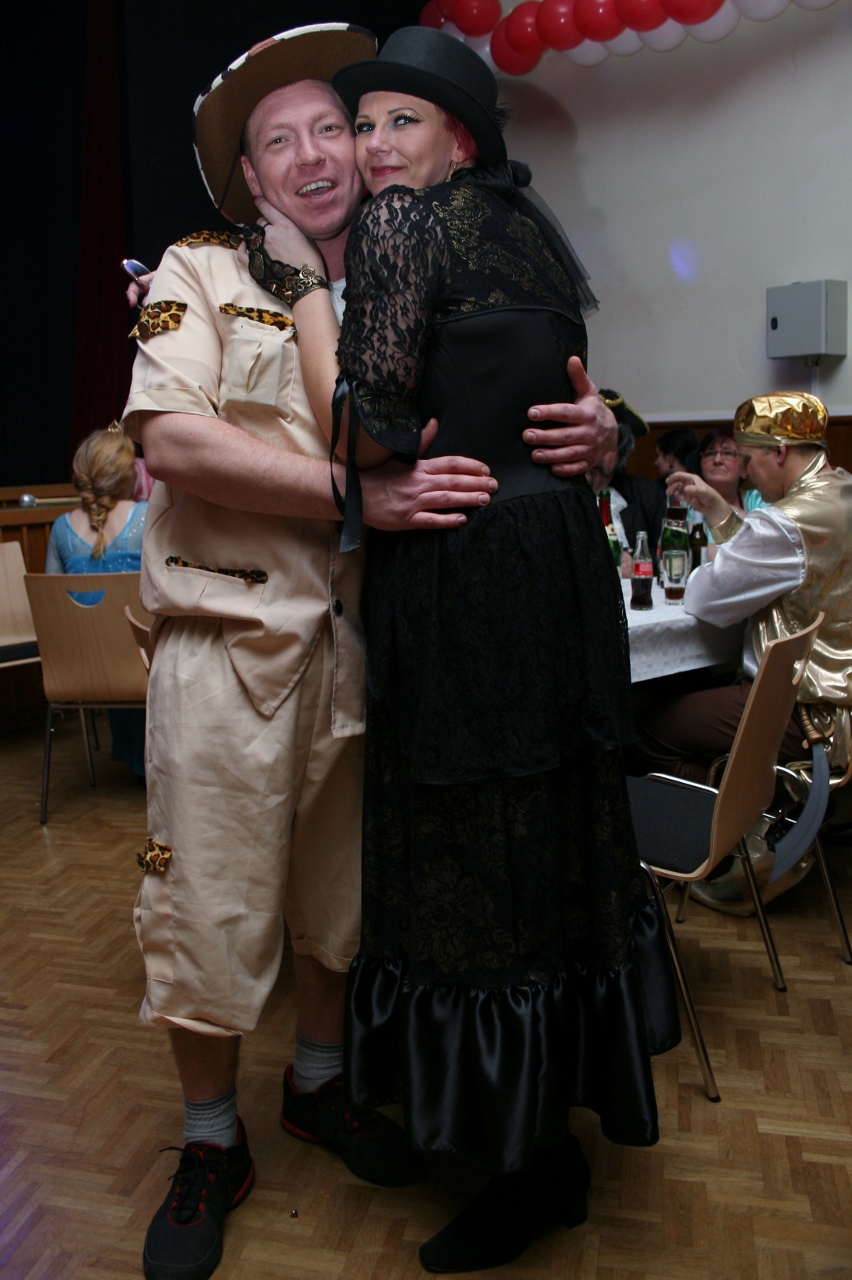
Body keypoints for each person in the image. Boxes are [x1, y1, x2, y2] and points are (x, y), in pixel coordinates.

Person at [120, 24, 619, 1280]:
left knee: (341, 909)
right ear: (249, 180)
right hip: (231, 641)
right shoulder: (199, 269)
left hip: (373, 651)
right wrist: (355, 494)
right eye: (276, 142)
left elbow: (515, 397)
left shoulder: (412, 262)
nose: (313, 154)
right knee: (209, 907)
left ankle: (321, 1084)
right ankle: (209, 1138)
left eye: (330, 128)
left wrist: (603, 428)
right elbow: (172, 441)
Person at [251, 27, 678, 1274]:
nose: (373, 146)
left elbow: (370, 433)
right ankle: (548, 1131)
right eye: (363, 123)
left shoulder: (399, 227)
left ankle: (522, 1160)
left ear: (461, 138)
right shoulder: (529, 230)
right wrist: (608, 433)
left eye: (402, 121)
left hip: (469, 571)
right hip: (557, 569)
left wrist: (308, 291)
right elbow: (552, 393)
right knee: (547, 840)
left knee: (474, 859)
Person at [640, 392, 852, 913]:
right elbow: (776, 563)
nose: (747, 471)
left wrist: (720, 546)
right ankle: (755, 821)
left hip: (805, 717)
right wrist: (721, 512)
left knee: (647, 725)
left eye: (749, 458)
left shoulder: (788, 520)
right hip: (837, 704)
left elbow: (705, 597)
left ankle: (734, 841)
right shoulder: (841, 490)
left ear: (779, 452)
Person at [45, 424, 147, 777]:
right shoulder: (147, 516)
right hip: (145, 667)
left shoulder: (61, 529)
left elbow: (53, 612)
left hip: (82, 669)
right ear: (127, 475)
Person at [586, 390, 666, 571]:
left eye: (606, 446)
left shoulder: (648, 496)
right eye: (590, 444)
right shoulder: (556, 496)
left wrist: (637, 562)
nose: (596, 455)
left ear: (620, 452)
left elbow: (668, 553)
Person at [684, 426, 766, 554]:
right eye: (710, 453)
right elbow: (693, 552)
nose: (717, 460)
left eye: (728, 453)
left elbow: (764, 548)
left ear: (745, 467)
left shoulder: (758, 499)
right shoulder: (692, 503)